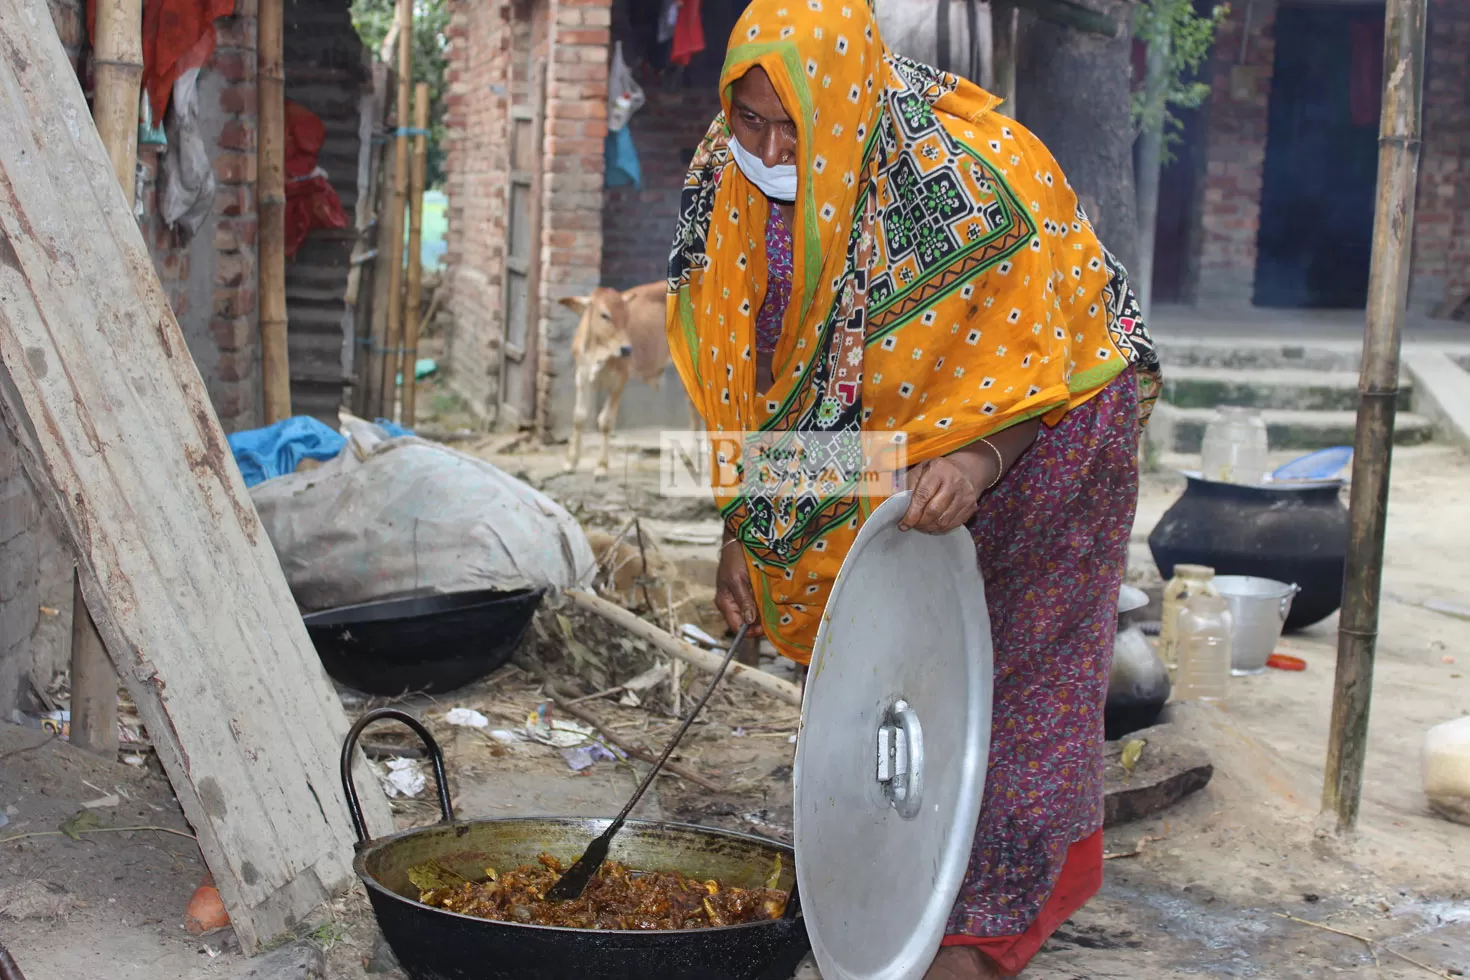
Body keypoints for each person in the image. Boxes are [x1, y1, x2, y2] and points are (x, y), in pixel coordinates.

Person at [664, 1, 1162, 977]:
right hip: (887, 445)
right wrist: (746, 529)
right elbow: (751, 376)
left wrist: (981, 461)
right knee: (888, 686)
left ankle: (979, 928)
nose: (765, 146)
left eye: (788, 128)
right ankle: (893, 900)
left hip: (1051, 440)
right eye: (749, 116)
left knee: (1008, 693)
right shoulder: (724, 179)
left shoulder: (974, 183)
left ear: (843, 106)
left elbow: (1055, 352)